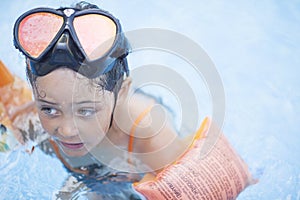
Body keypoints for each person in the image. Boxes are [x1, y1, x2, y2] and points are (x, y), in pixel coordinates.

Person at [13, 1, 193, 184]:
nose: (67, 130)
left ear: (121, 93)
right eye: (49, 110)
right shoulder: (30, 122)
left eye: (86, 111)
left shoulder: (150, 137)